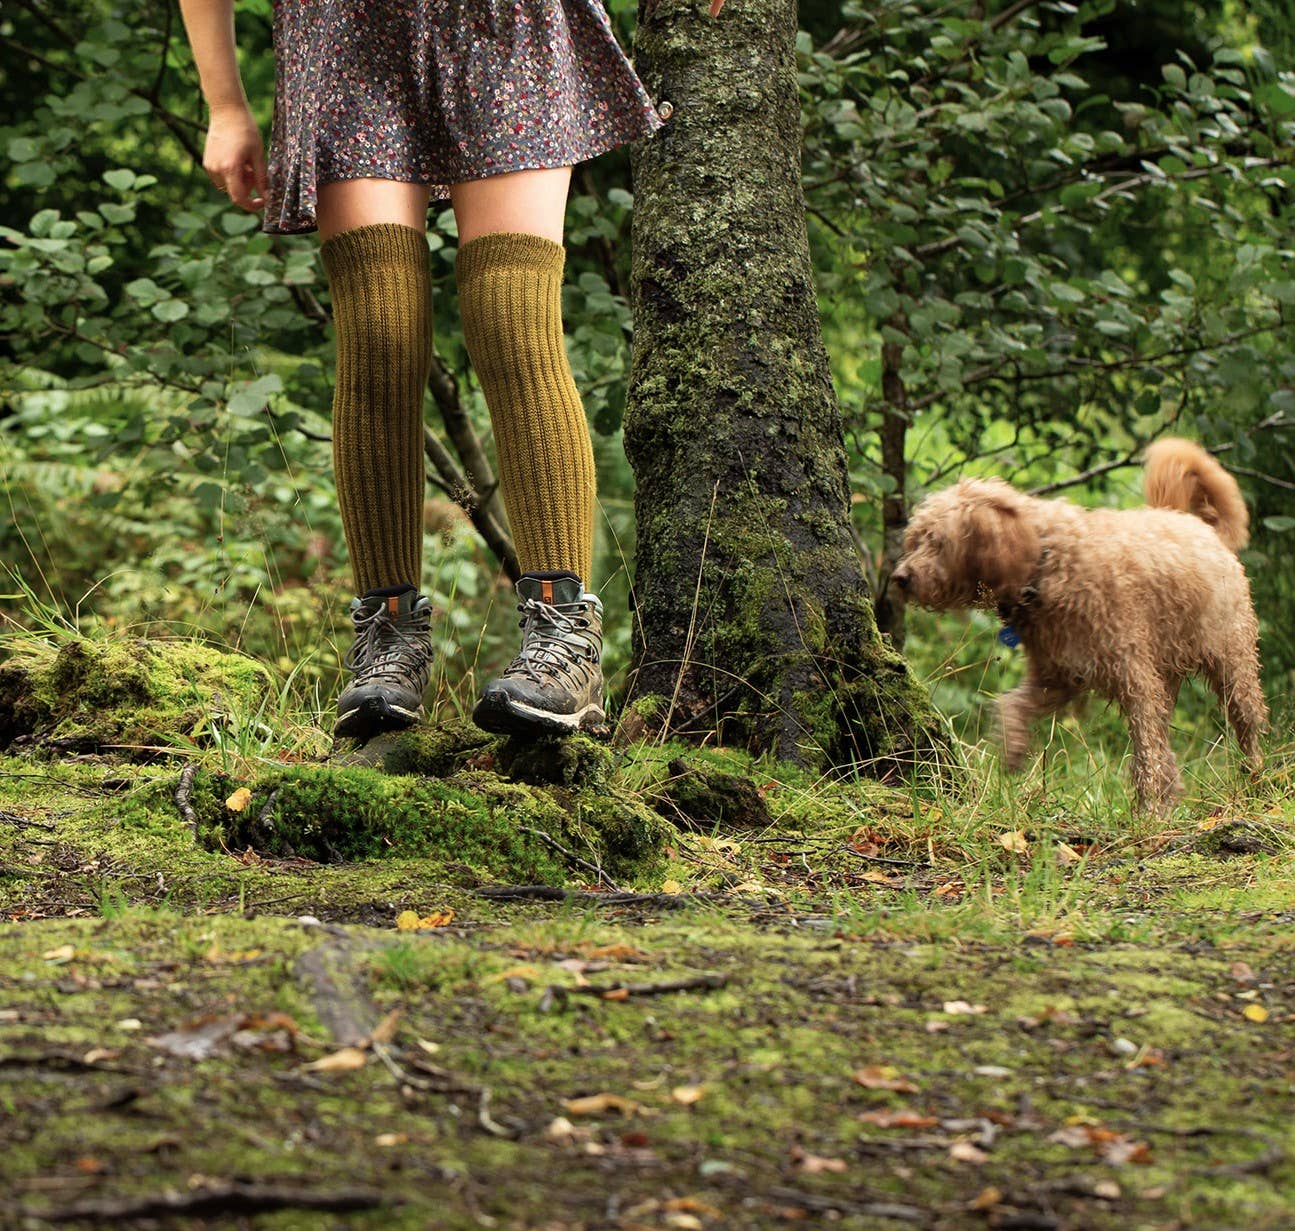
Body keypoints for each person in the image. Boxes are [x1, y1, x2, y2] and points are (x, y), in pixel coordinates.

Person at [179, 0, 726, 742]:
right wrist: (224, 102)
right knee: (378, 333)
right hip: (344, 30)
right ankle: (388, 635)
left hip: (507, 21)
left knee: (511, 320)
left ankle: (564, 639)